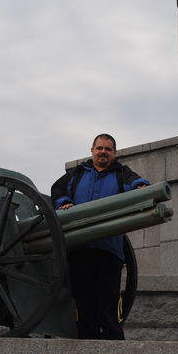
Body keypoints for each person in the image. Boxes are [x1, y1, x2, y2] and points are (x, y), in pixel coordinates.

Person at [51, 133, 149, 340]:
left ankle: (113, 340)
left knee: (109, 299)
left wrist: (141, 187)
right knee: (83, 299)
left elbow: (135, 182)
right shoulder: (77, 174)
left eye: (108, 149)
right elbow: (57, 189)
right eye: (100, 148)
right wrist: (64, 202)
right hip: (80, 249)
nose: (103, 152)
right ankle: (87, 340)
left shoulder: (121, 173)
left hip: (109, 249)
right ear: (92, 151)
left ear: (114, 153)